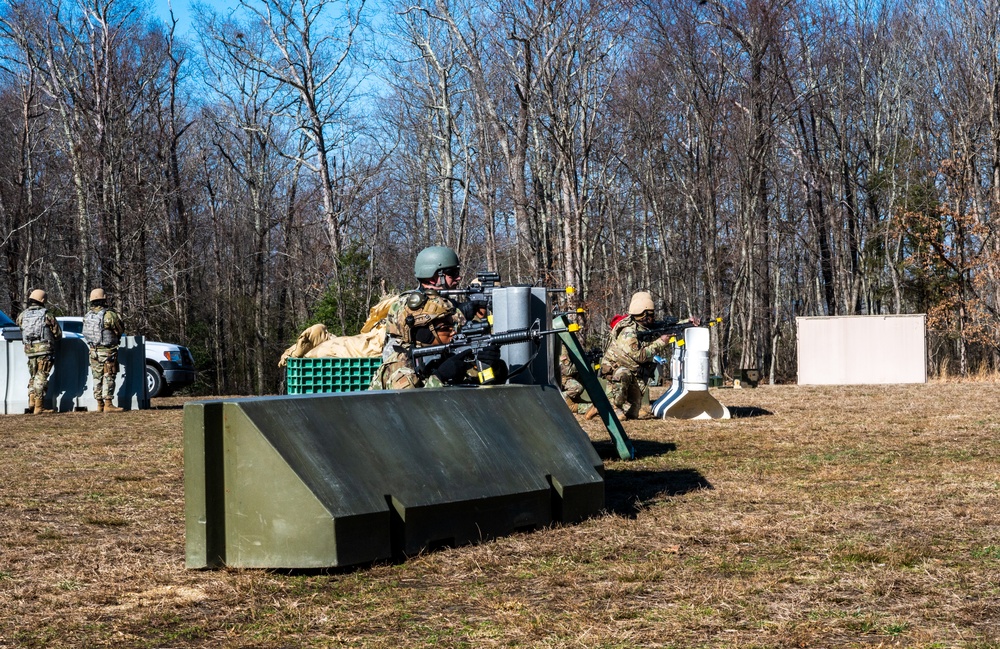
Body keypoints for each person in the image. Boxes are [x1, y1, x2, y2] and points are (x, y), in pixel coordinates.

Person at [586, 291, 698, 420]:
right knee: (623, 373)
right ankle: (612, 408)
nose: (653, 317)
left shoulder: (644, 326)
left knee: (633, 413)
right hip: (617, 370)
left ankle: (602, 407)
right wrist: (661, 341)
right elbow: (640, 355)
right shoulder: (628, 331)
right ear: (644, 315)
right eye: (651, 314)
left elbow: (664, 325)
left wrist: (687, 322)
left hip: (634, 371)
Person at [15, 289, 62, 414]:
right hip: (44, 349)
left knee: (34, 375)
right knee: (41, 376)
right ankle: (39, 406)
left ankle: (31, 400)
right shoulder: (46, 314)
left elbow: (20, 327)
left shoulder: (23, 315)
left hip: (30, 349)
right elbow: (57, 333)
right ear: (43, 300)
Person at [83, 288, 126, 412]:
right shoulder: (109, 315)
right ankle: (108, 403)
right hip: (108, 351)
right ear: (104, 299)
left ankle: (99, 404)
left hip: (93, 351)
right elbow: (120, 329)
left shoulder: (87, 316)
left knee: (97, 377)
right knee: (108, 376)